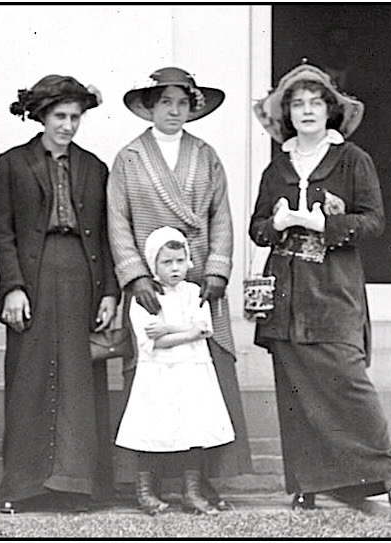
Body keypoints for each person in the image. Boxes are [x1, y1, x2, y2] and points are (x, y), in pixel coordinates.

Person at [249, 61, 391, 510]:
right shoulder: (277, 166)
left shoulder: (353, 160)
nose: (306, 111)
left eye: (315, 103)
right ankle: (309, 482)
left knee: (347, 380)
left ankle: (386, 473)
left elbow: (374, 222)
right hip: (286, 290)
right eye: (296, 104)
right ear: (286, 114)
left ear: (330, 110)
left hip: (333, 289)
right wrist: (276, 224)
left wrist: (326, 223)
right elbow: (257, 226)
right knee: (296, 388)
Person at [107, 66, 252, 510]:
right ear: (149, 107)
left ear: (193, 107)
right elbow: (118, 219)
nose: (174, 111)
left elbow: (221, 218)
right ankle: (148, 483)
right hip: (152, 285)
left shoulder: (206, 155)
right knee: (153, 380)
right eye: (165, 102)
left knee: (205, 378)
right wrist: (135, 276)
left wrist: (215, 273)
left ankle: (203, 480)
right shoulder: (129, 158)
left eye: (182, 103)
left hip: (197, 282)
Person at [0, 75, 120, 513]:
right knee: (29, 378)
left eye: (75, 117)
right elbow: (3, 233)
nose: (68, 125)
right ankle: (24, 488)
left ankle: (77, 486)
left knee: (78, 381)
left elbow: (105, 234)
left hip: (83, 276)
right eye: (60, 116)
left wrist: (109, 294)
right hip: (34, 274)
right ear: (42, 116)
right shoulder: (11, 163)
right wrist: (13, 287)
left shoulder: (94, 167)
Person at [116, 227, 235, 515]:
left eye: (180, 261)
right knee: (151, 430)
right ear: (153, 265)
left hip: (192, 372)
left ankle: (191, 493)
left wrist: (169, 327)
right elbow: (152, 342)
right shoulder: (142, 298)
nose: (174, 268)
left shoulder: (194, 292)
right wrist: (188, 331)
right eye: (166, 262)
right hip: (158, 374)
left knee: (194, 431)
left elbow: (204, 328)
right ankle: (145, 493)